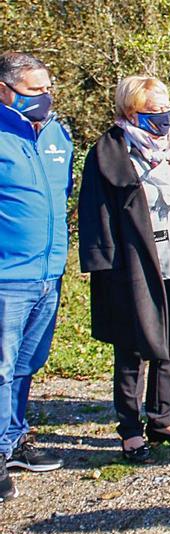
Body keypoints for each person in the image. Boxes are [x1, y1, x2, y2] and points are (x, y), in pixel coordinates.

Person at [79, 76, 170, 462]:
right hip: (133, 265)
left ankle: (162, 416)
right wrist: (100, 265)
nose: (162, 117)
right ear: (131, 110)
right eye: (153, 111)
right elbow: (95, 211)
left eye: (165, 109)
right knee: (132, 348)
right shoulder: (110, 151)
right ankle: (129, 429)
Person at [0, 51, 70, 501]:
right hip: (8, 276)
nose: (44, 98)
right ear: (4, 91)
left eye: (47, 89)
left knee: (27, 363)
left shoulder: (56, 135)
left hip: (49, 271)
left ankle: (15, 438)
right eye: (33, 91)